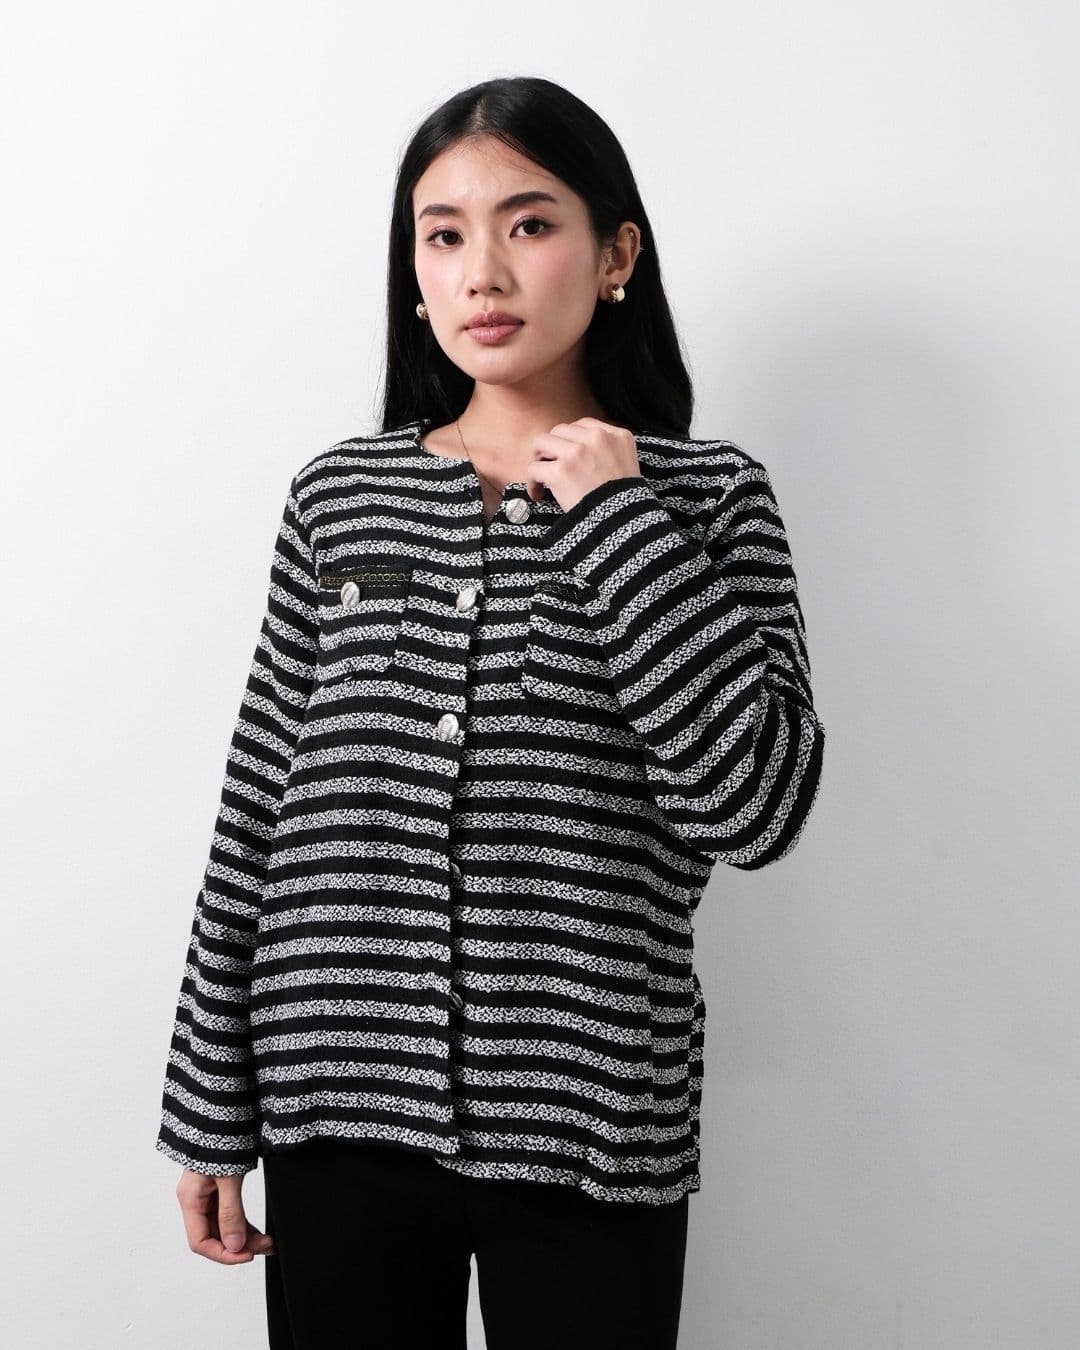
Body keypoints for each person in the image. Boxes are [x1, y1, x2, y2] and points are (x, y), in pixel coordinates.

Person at [156, 75, 827, 1349]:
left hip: (591, 1110)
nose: (483, 272)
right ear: (413, 273)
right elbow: (257, 809)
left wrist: (618, 520)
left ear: (616, 254)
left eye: (529, 224)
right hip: (335, 1096)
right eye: (444, 234)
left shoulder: (706, 501)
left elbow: (755, 808)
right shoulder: (339, 497)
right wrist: (207, 1103)